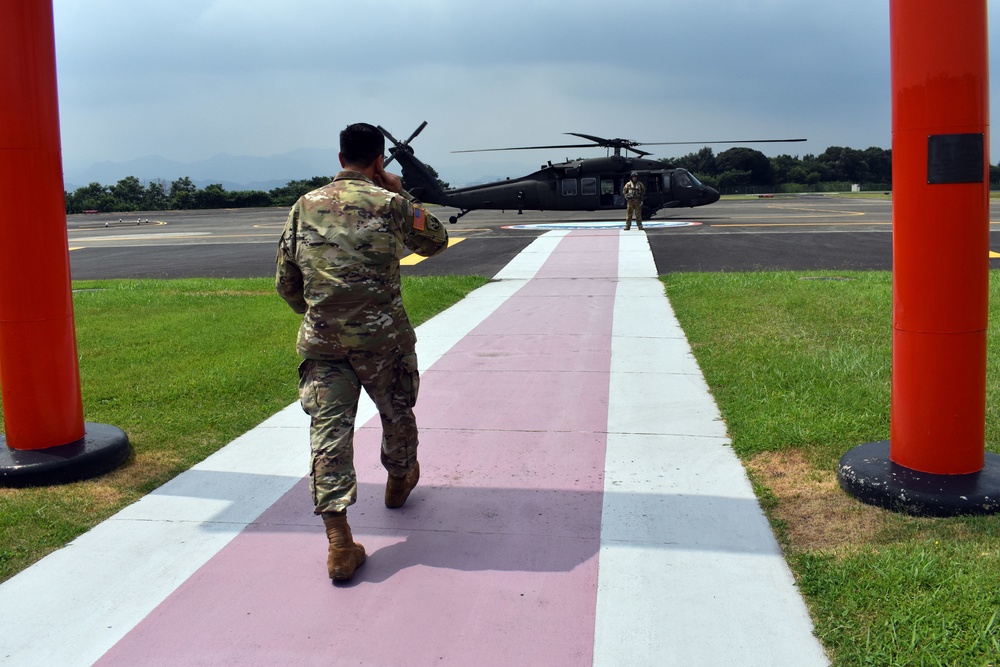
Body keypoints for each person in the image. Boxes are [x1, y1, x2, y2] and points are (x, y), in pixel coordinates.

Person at [275, 122, 449, 582]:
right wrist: (401, 193)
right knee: (397, 412)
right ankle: (398, 479)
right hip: (383, 340)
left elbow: (286, 282)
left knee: (329, 435)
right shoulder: (393, 205)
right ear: (378, 161)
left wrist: (318, 312)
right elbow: (435, 240)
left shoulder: (303, 205)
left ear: (339, 159)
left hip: (324, 343)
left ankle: (339, 543)